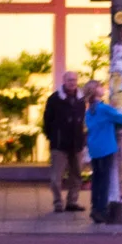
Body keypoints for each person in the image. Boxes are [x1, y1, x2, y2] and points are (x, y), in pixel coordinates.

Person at [85, 80, 122, 224]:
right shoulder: (104, 109)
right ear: (96, 91)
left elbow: (109, 122)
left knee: (97, 180)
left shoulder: (90, 111)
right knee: (104, 181)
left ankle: (95, 208)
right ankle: (102, 211)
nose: (103, 89)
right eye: (100, 87)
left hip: (94, 147)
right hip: (106, 147)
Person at [42, 75, 88, 213]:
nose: (72, 83)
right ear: (64, 82)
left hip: (77, 142)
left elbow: (83, 120)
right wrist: (53, 137)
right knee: (57, 176)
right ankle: (58, 202)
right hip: (59, 143)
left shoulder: (81, 99)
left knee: (77, 174)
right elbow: (47, 120)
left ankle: (72, 202)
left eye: (74, 80)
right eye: (69, 80)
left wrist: (83, 138)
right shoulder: (54, 99)